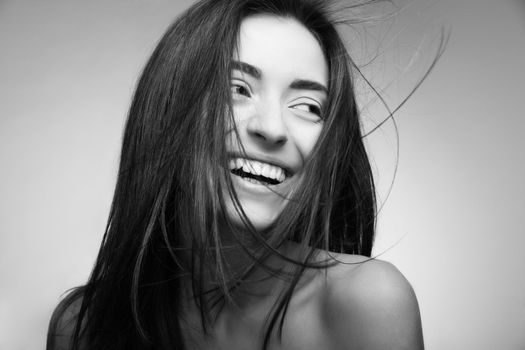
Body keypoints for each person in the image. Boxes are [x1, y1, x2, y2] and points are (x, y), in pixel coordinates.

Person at [47, 0, 424, 349]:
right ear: (169, 108)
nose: (273, 129)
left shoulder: (368, 302)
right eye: (238, 89)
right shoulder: (81, 325)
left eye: (308, 106)